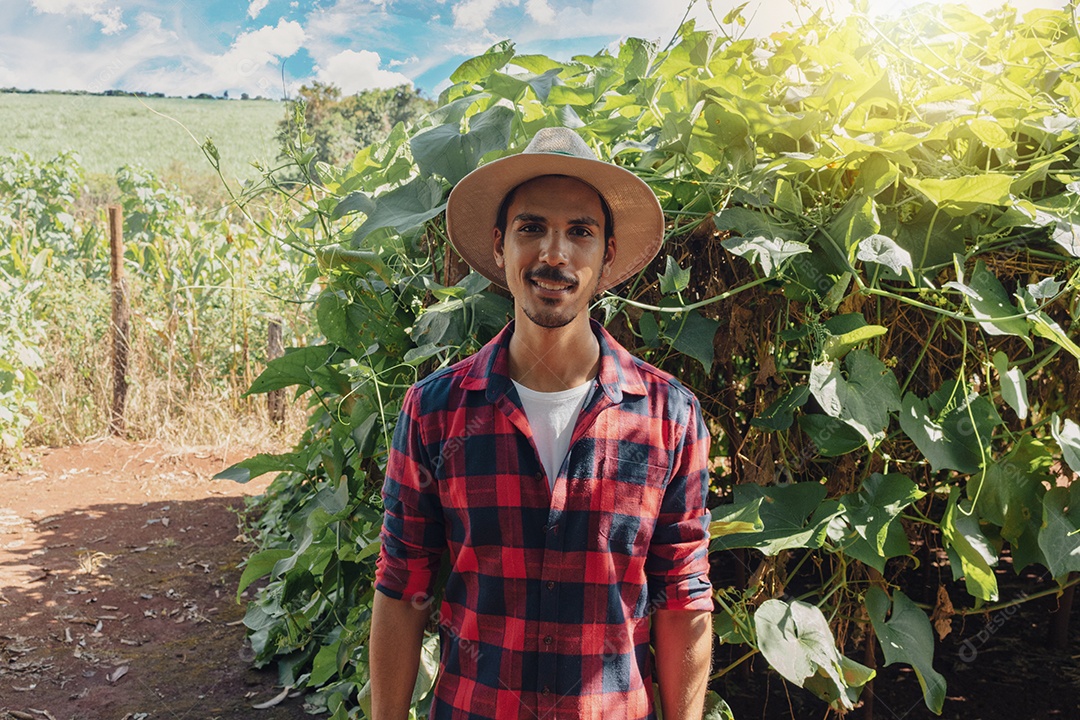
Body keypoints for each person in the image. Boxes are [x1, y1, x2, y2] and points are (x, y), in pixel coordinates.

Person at [370, 127, 713, 720]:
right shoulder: (434, 411)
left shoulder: (669, 416)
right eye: (532, 229)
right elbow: (402, 588)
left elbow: (682, 598)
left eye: (580, 231)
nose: (554, 254)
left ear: (606, 254)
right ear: (500, 246)